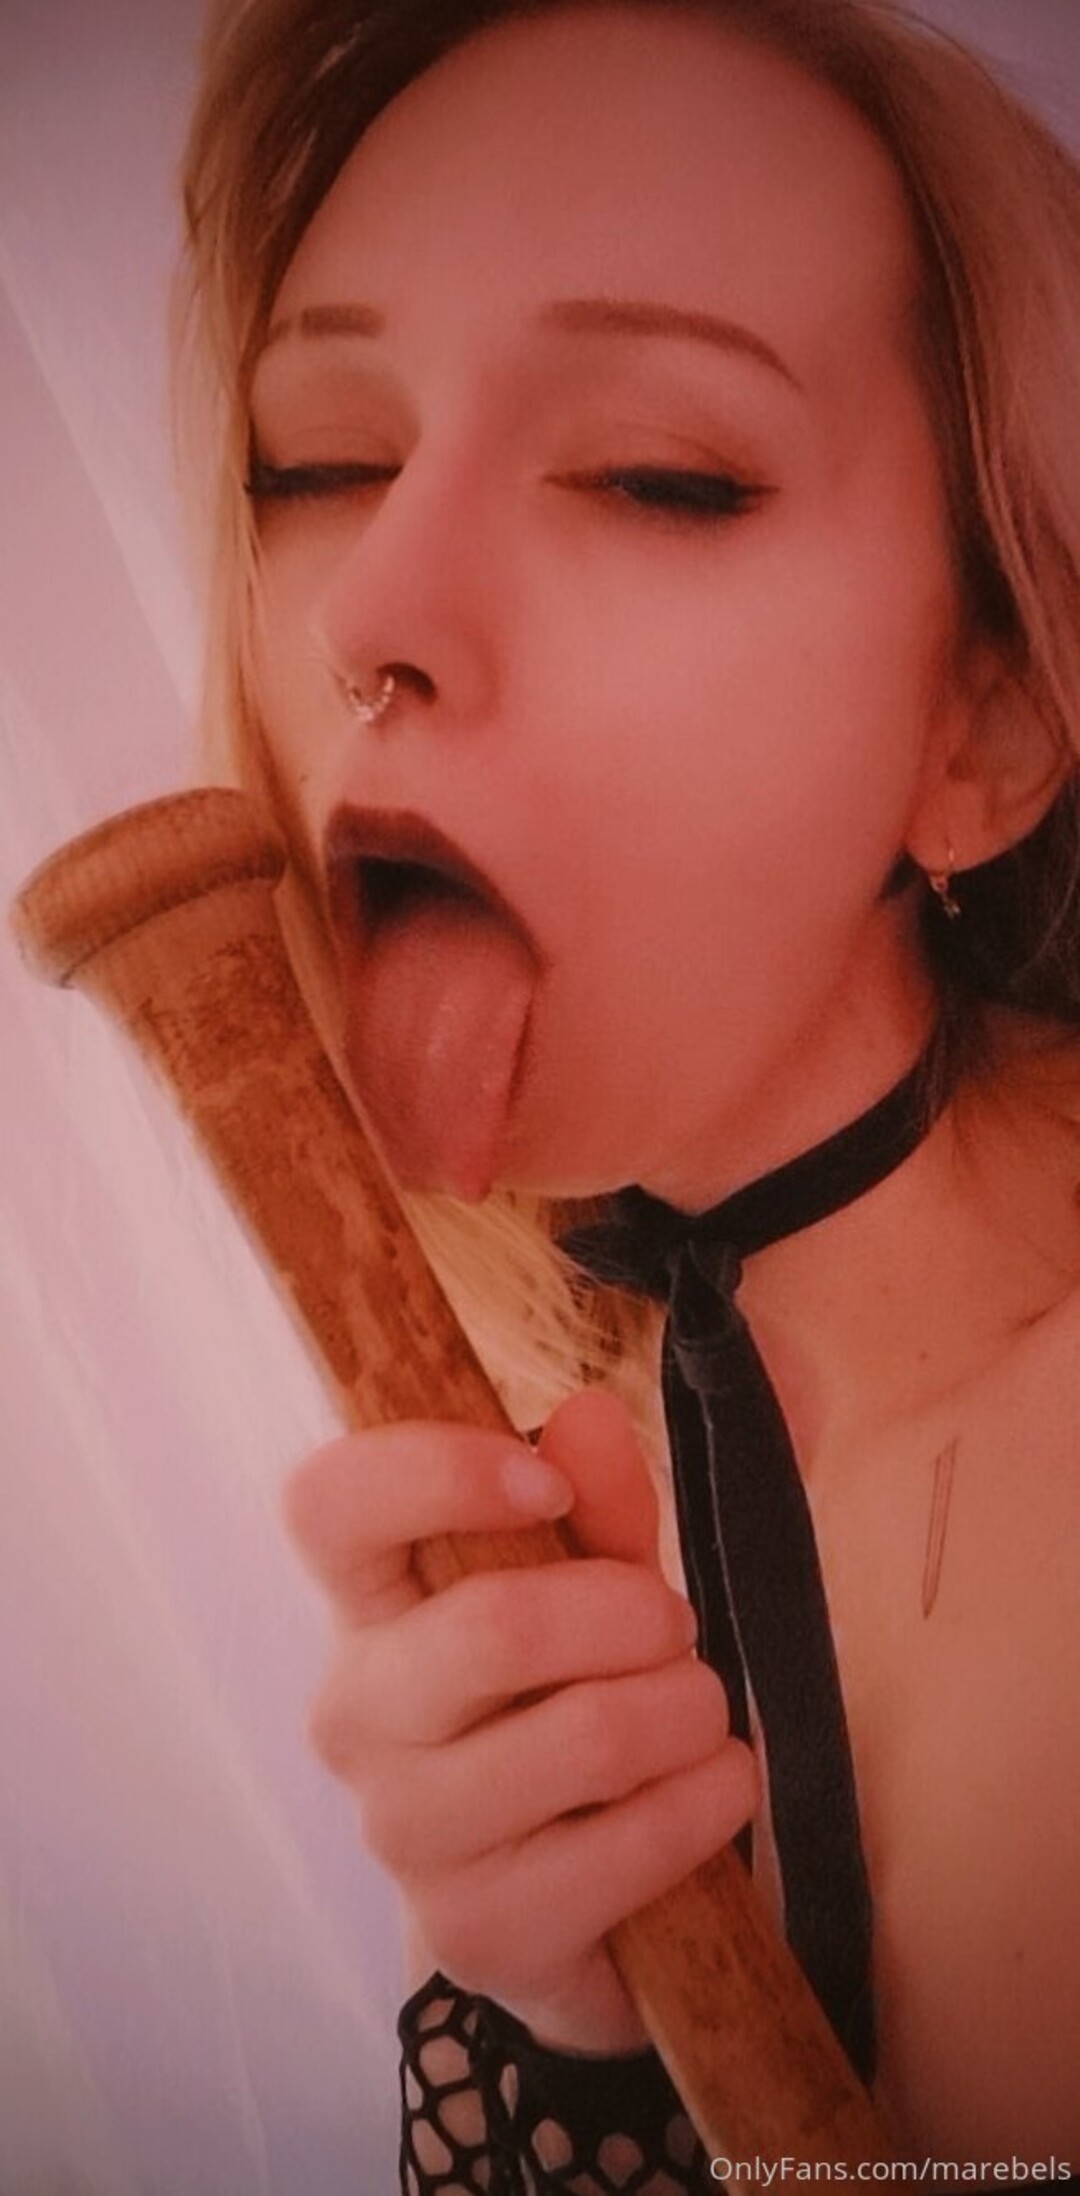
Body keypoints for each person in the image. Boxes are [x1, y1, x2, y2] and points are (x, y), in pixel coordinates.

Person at [176, 0, 1080, 2185]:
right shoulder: (557, 1508)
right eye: (317, 463)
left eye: (660, 475)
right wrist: (572, 2036)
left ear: (983, 719)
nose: (373, 609)